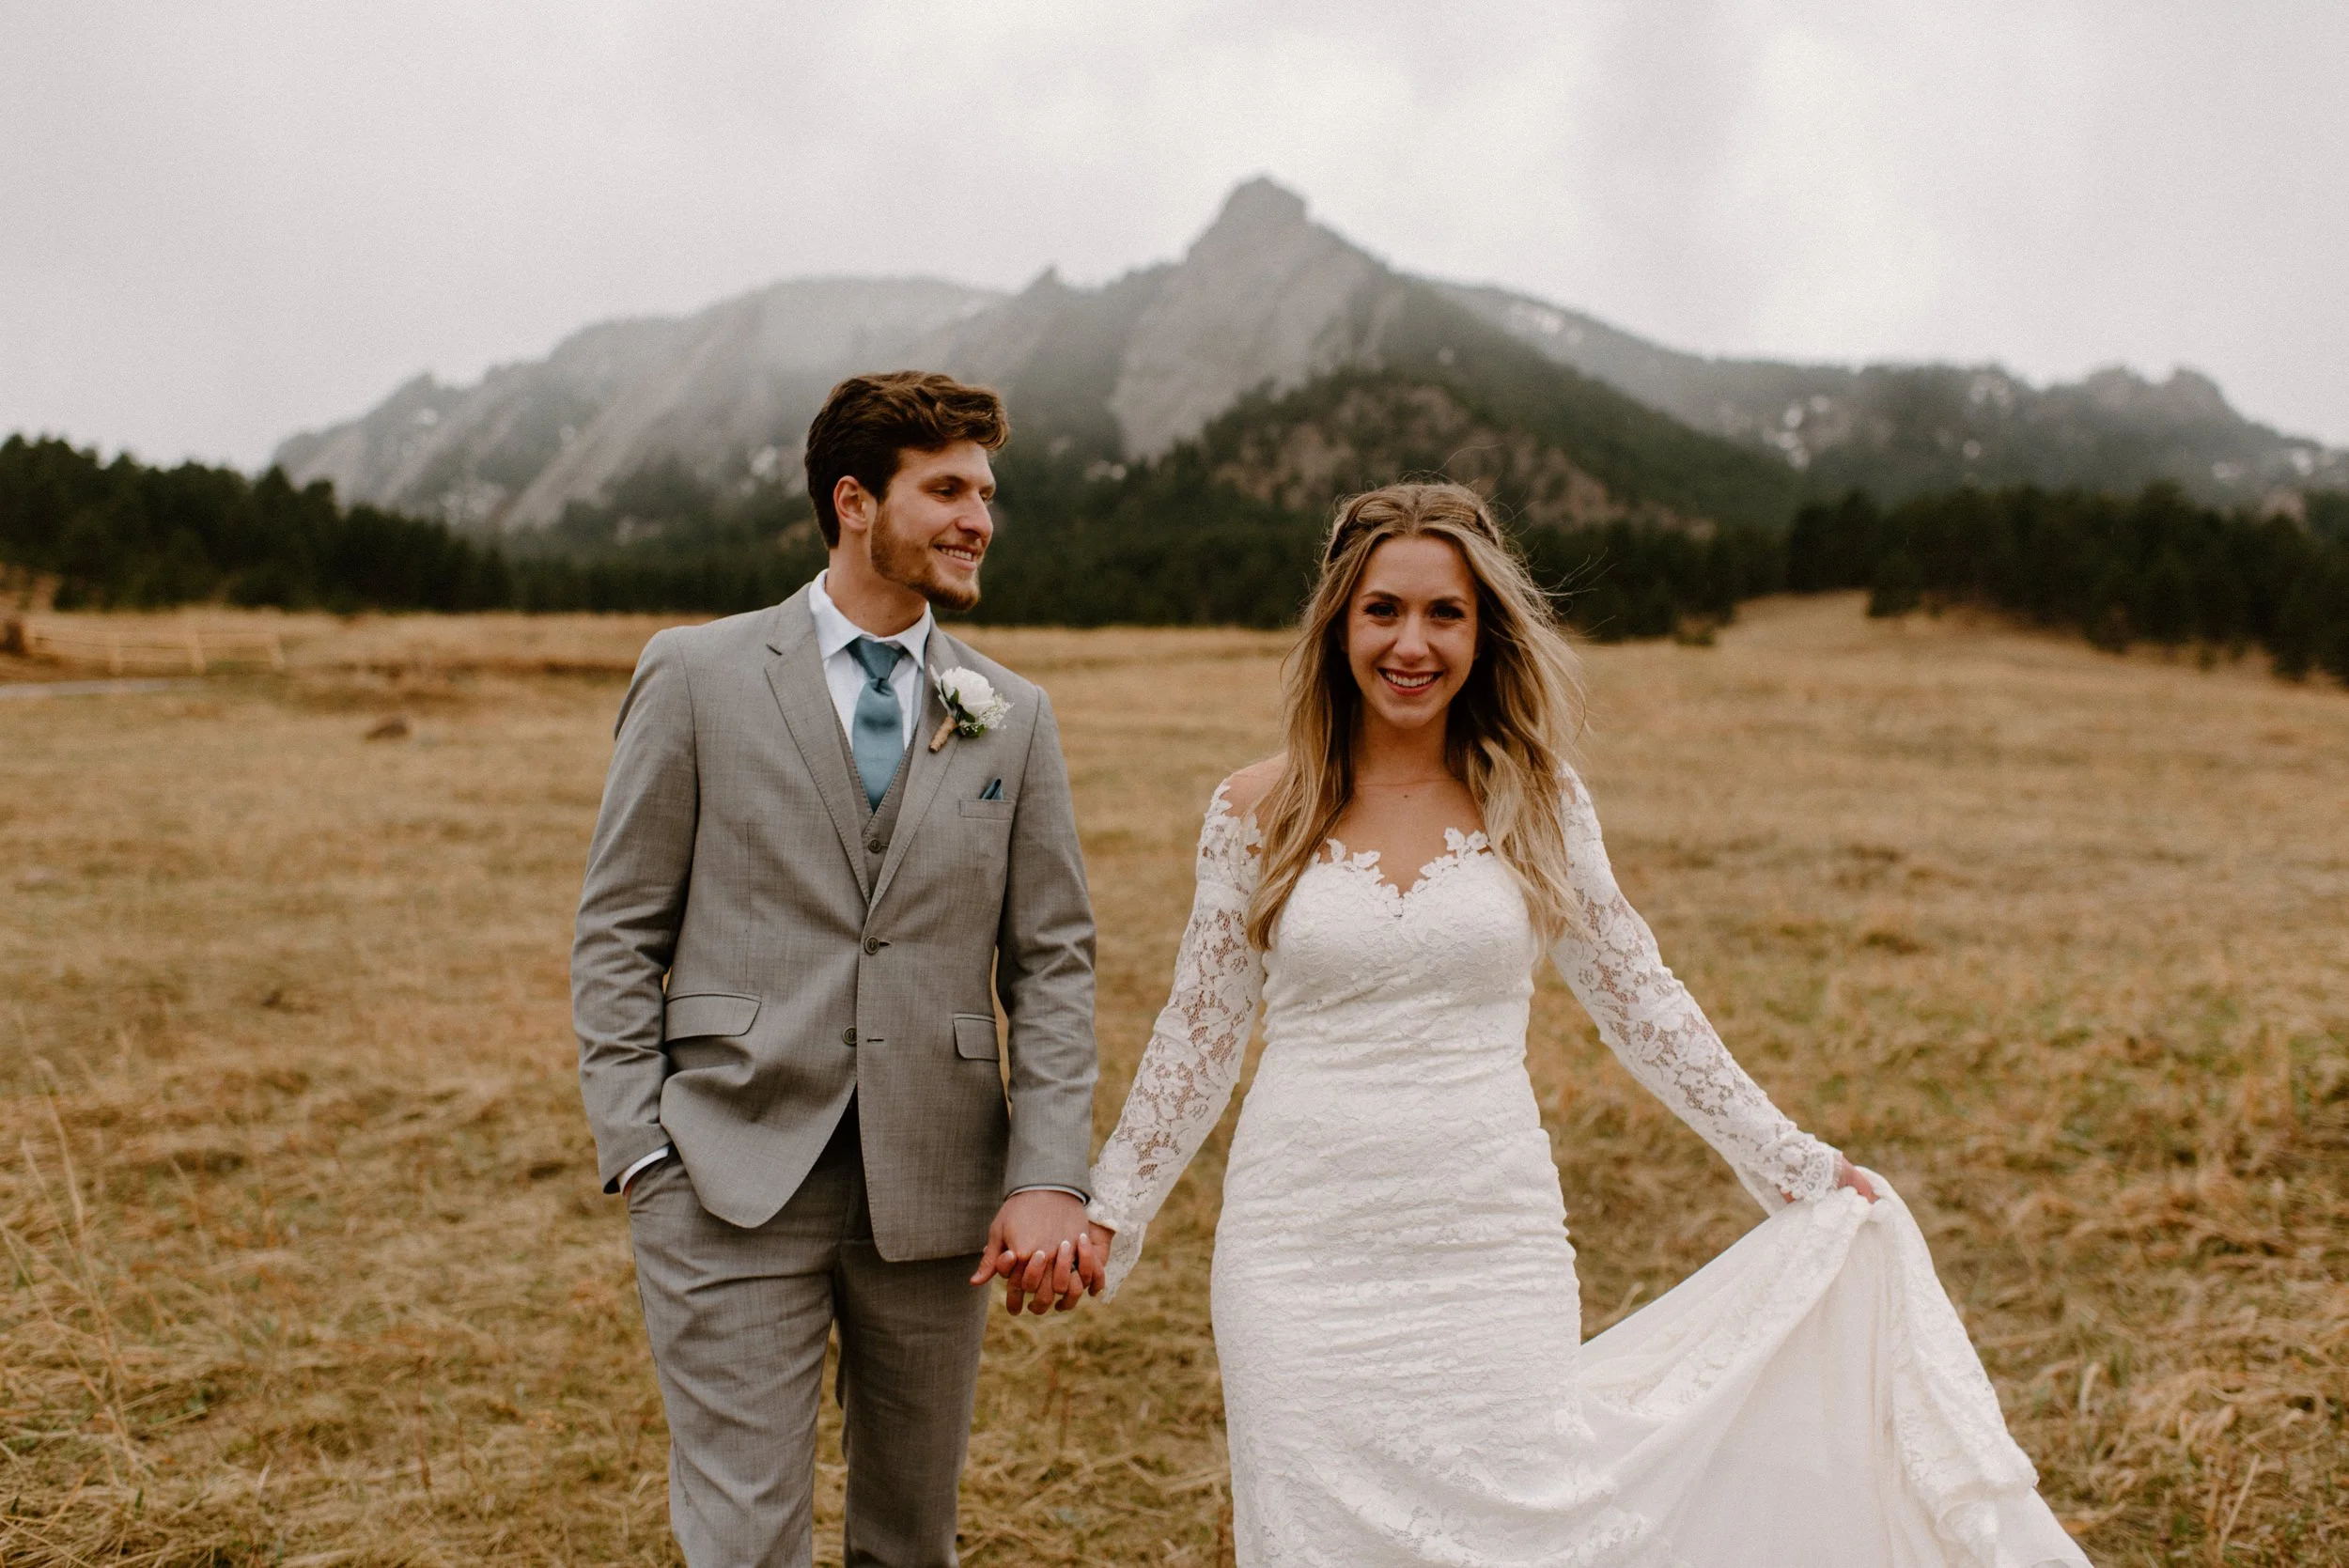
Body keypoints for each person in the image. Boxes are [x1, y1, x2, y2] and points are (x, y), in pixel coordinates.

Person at [1082, 483, 2091, 1566]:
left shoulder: (1538, 800)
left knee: (1525, 1527)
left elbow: (1641, 1000)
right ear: (1335, 622)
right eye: (1382, 610)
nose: (1410, 643)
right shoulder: (1252, 809)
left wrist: (1791, 1162)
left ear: (1484, 630)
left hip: (1488, 1240)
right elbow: (1197, 1034)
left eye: (1444, 614)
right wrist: (1108, 1211)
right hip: (1297, 1249)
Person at [573, 371, 1104, 1568]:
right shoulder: (696, 674)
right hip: (722, 1172)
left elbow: (1054, 964)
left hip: (939, 1188)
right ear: (855, 500)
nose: (980, 518)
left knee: (912, 1540)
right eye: (949, 489)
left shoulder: (1010, 715)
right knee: (744, 1539)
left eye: (987, 492)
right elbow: (618, 928)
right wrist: (638, 1148)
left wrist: (1050, 1173)